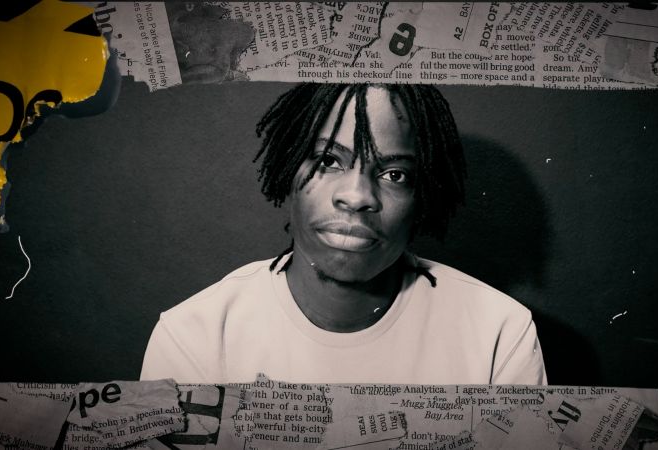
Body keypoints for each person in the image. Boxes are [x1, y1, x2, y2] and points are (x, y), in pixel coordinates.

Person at [140, 83, 547, 385]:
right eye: (328, 160)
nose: (356, 196)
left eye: (394, 174)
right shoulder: (195, 337)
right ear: (287, 171)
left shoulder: (498, 333)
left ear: (422, 196)